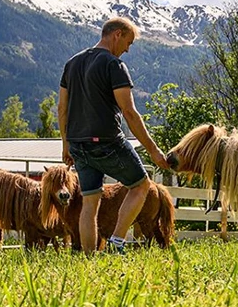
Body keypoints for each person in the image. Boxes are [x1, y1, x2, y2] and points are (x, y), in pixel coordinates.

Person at [58, 17, 171, 254]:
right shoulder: (113, 65)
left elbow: (62, 108)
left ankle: (89, 258)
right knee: (141, 185)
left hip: (78, 144)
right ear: (117, 34)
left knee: (90, 201)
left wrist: (66, 145)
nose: (127, 49)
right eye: (128, 42)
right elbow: (129, 112)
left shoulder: (72, 63)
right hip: (107, 142)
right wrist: (153, 150)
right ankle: (117, 242)